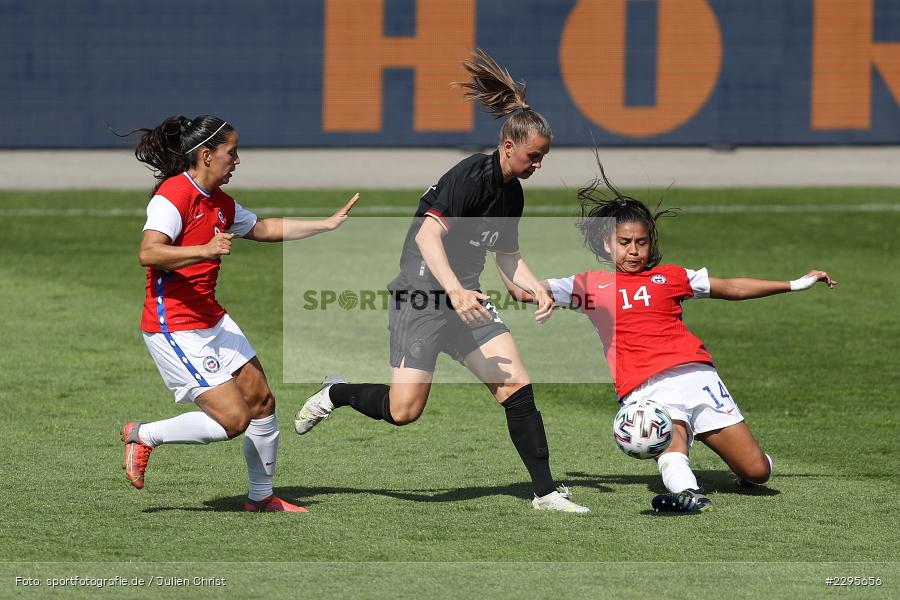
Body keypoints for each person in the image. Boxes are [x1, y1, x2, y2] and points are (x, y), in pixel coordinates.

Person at [293, 49, 589, 513]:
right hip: (422, 296)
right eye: (534, 156)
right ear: (508, 146)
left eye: (543, 157)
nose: (539, 165)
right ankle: (337, 392)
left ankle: (546, 492)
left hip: (466, 298)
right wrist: (453, 289)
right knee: (403, 411)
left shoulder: (512, 195)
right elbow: (429, 235)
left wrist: (535, 289)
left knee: (516, 386)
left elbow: (507, 257)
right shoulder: (471, 176)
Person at [504, 162, 837, 513]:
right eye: (625, 242)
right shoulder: (589, 285)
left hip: (698, 377)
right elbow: (524, 291)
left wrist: (794, 284)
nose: (633, 251)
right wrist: (501, 254)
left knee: (757, 472)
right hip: (646, 387)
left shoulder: (672, 277)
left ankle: (737, 469)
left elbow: (734, 287)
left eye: (641, 242)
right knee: (672, 442)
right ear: (606, 243)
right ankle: (689, 495)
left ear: (651, 243)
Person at [119, 114, 359, 512]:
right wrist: (204, 250)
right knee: (233, 420)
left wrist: (327, 224)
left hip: (211, 318)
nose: (238, 160)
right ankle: (143, 435)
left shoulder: (221, 203)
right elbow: (149, 252)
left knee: (261, 401)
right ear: (206, 154)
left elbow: (263, 229)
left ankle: (261, 499)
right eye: (232, 152)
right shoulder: (174, 196)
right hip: (174, 327)